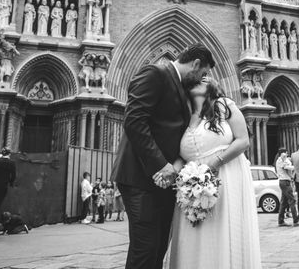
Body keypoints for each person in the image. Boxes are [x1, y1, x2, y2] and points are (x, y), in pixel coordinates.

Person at [111, 43, 215, 269]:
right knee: (145, 250)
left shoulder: (180, 86)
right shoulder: (155, 73)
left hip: (163, 183)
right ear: (195, 64)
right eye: (203, 73)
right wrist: (161, 166)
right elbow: (134, 121)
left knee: (158, 249)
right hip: (140, 178)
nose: (202, 79)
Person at [165, 78, 261, 268]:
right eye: (197, 77)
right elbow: (181, 155)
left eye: (206, 76)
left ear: (214, 85)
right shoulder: (184, 116)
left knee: (221, 233)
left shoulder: (224, 105)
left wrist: (215, 162)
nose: (202, 78)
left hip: (225, 180)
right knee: (193, 237)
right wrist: (172, 171)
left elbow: (243, 141)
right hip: (191, 187)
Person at [275, 147, 299, 226]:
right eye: (286, 153)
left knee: (283, 202)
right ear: (282, 153)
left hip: (284, 181)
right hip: (285, 181)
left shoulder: (280, 160)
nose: (287, 155)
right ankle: (296, 220)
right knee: (292, 200)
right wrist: (294, 167)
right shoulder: (281, 160)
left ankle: (281, 221)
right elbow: (286, 167)